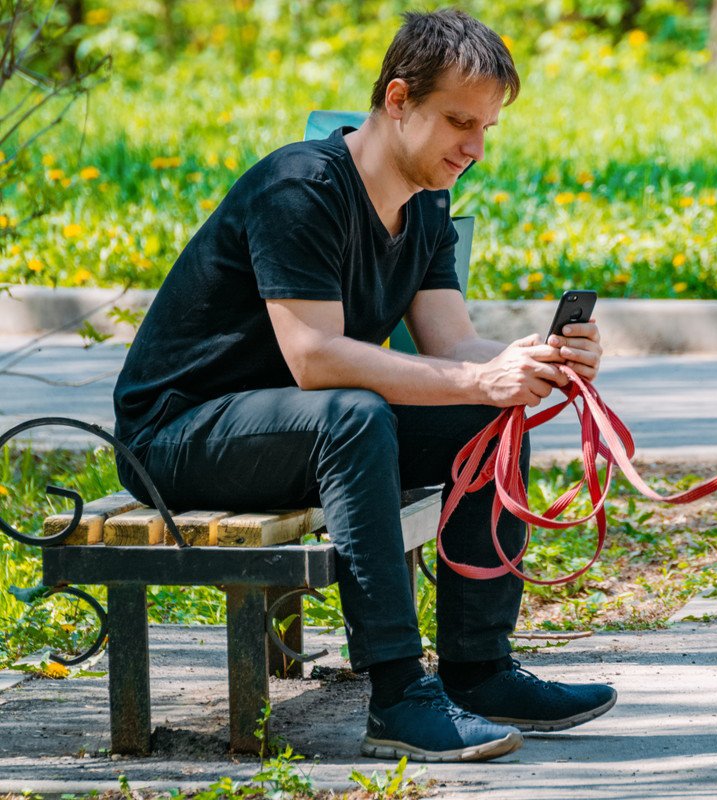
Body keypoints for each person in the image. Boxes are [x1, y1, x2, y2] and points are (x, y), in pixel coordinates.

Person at [111, 9, 615, 763]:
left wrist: (529, 362)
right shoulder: (301, 187)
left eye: (486, 129)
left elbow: (453, 346)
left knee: (485, 417)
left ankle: (479, 671)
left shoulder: (425, 204)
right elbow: (316, 358)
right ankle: (398, 696)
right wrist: (479, 376)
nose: (474, 149)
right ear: (399, 99)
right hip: (178, 436)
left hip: (293, 430)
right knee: (354, 416)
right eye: (458, 123)